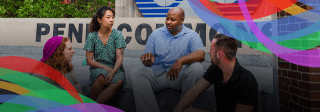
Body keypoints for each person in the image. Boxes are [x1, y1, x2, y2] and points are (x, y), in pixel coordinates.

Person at [130, 7, 205, 112]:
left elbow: (201, 54)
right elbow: (148, 59)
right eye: (167, 19)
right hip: (158, 74)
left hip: (179, 75)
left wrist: (180, 61)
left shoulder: (191, 35)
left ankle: (183, 108)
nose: (168, 22)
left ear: (182, 20)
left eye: (173, 20)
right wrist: (147, 60)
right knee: (136, 73)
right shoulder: (156, 34)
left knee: (197, 68)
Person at [173, 34, 258, 112]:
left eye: (211, 50)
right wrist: (178, 109)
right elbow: (194, 91)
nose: (209, 52)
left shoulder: (247, 81)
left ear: (219, 54)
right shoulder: (215, 69)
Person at [83, 6, 127, 104]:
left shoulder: (118, 34)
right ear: (99, 20)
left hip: (116, 68)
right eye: (108, 17)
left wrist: (111, 72)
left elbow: (120, 58)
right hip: (98, 67)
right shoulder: (92, 36)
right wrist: (104, 67)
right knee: (101, 77)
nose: (111, 20)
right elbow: (89, 60)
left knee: (118, 81)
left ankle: (93, 108)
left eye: (112, 17)